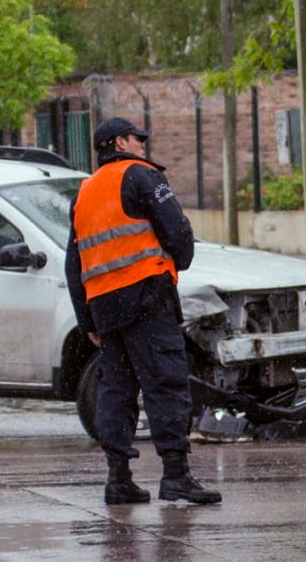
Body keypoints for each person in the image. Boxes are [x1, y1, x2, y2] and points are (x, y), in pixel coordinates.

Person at [66, 117, 221, 506]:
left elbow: (74, 264)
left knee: (116, 390)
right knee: (166, 383)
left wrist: (88, 321)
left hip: (105, 308)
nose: (142, 145)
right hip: (147, 297)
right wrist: (179, 262)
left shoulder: (83, 193)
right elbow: (177, 232)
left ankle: (118, 479)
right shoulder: (141, 176)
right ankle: (176, 476)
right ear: (120, 141)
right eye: (138, 139)